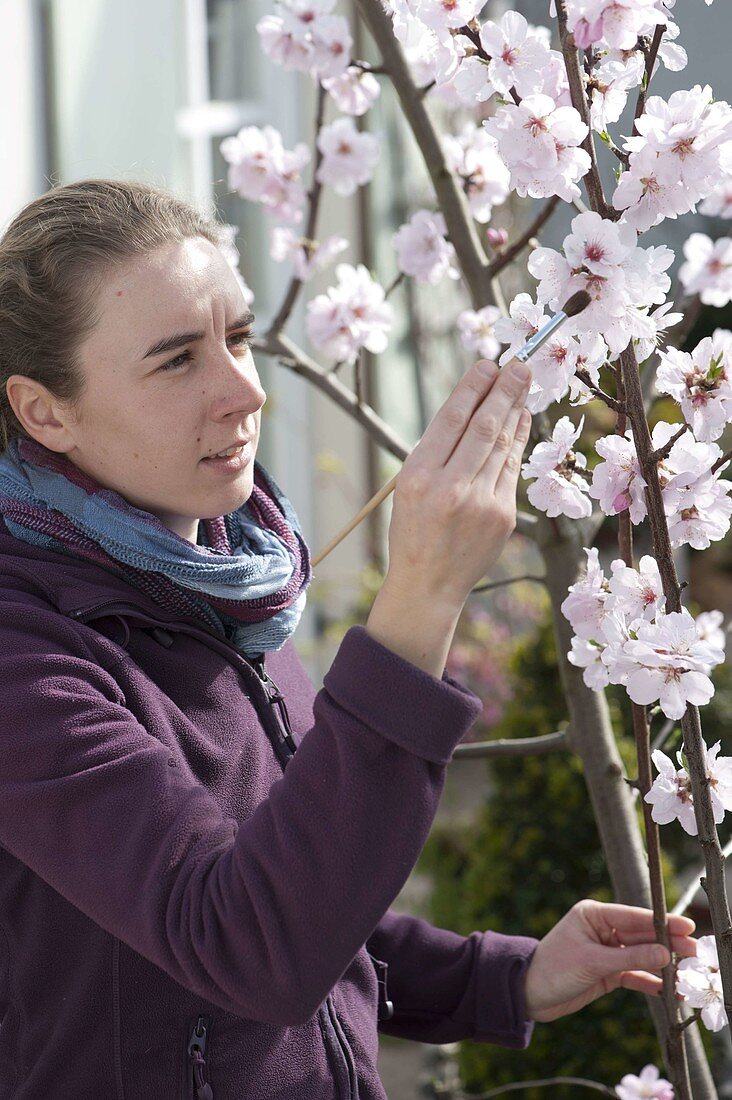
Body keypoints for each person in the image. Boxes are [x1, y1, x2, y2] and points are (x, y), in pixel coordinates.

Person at [0, 179, 695, 1100]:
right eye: (176, 362)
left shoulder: (232, 571)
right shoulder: (27, 660)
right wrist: (421, 599)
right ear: (45, 411)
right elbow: (250, 945)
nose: (244, 391)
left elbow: (299, 879)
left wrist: (499, 978)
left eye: (239, 338)